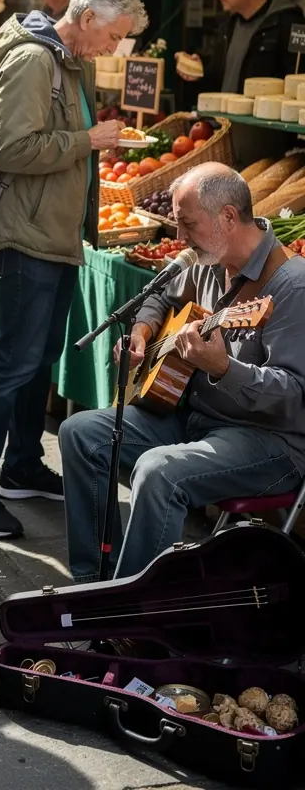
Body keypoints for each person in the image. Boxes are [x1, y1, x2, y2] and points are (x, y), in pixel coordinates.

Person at [0, 0, 149, 540]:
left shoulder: (71, 63)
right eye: (113, 36)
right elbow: (13, 150)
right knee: (13, 362)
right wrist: (89, 140)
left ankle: (21, 466)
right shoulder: (36, 61)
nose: (114, 48)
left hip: (54, 234)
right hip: (27, 234)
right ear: (86, 18)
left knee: (37, 360)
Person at [60, 163, 305, 583]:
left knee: (158, 472)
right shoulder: (207, 257)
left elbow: (294, 396)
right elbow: (160, 297)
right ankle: (94, 583)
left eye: (188, 224)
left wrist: (223, 368)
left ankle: (138, 608)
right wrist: (143, 332)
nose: (179, 237)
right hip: (193, 416)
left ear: (228, 217)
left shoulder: (292, 286)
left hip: (268, 441)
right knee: (80, 434)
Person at [175, 0, 304, 164]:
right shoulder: (229, 25)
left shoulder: (289, 23)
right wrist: (199, 71)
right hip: (223, 140)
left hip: (266, 150)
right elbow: (222, 80)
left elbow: (296, 86)